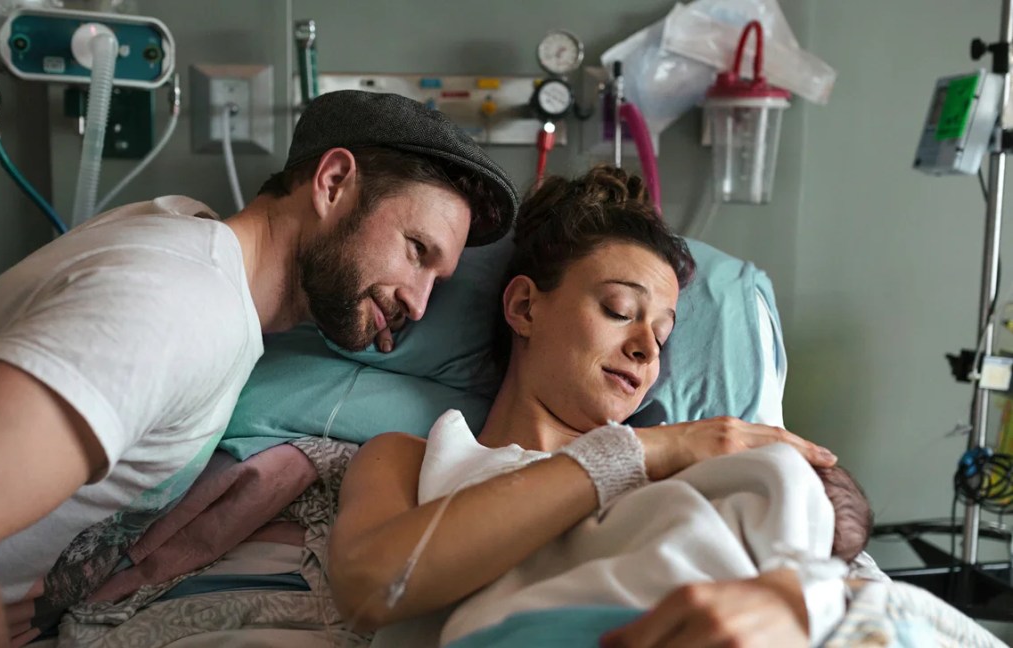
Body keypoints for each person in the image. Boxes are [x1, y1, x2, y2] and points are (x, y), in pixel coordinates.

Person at [0, 90, 518, 648]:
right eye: (415, 250)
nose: (417, 300)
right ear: (333, 183)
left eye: (438, 276)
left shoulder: (193, 253)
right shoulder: (178, 303)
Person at [328, 166, 870, 648]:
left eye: (662, 334)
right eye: (619, 309)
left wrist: (794, 596)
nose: (646, 348)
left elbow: (839, 575)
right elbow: (371, 587)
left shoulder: (691, 472)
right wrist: (642, 451)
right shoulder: (408, 460)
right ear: (524, 307)